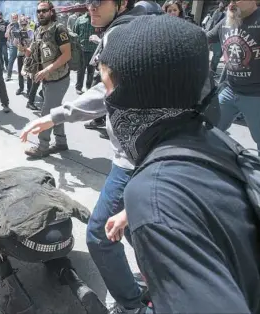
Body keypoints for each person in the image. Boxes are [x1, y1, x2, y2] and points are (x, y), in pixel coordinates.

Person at [100, 14, 260, 313]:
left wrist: (152, 205)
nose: (105, 102)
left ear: (138, 93)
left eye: (106, 86)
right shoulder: (207, 135)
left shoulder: (152, 193)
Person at [21, 1, 152, 313]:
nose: (91, 6)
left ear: (122, 3)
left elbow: (108, 90)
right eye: (88, 1)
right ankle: (157, 277)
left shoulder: (125, 34)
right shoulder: (126, 26)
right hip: (141, 154)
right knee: (135, 229)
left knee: (100, 235)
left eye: (99, 1)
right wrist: (54, 117)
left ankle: (133, 305)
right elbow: (107, 90)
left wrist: (55, 115)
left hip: (135, 158)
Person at [0, 167, 105, 314]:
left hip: (32, 247)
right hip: (64, 237)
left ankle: (17, 297)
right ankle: (74, 281)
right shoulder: (35, 175)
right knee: (47, 239)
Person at [206, 0, 260, 153]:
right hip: (230, 90)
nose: (231, 3)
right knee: (211, 130)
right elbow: (206, 37)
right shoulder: (227, 20)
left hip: (255, 95)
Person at [23, 0, 72, 159]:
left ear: (51, 12)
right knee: (56, 111)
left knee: (46, 113)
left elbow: (67, 54)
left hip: (58, 78)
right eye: (38, 11)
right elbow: (34, 50)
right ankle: (61, 142)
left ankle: (42, 146)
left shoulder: (59, 29)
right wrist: (24, 49)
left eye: (44, 10)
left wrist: (47, 69)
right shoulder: (38, 29)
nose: (41, 14)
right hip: (46, 78)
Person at [5, 13, 20, 81]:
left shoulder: (20, 24)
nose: (14, 19)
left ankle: (22, 75)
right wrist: (9, 29)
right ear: (11, 18)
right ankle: (8, 75)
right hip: (12, 45)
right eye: (13, 18)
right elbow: (6, 36)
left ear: (17, 18)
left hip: (20, 44)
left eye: (15, 18)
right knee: (11, 60)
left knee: (22, 60)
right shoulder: (9, 25)